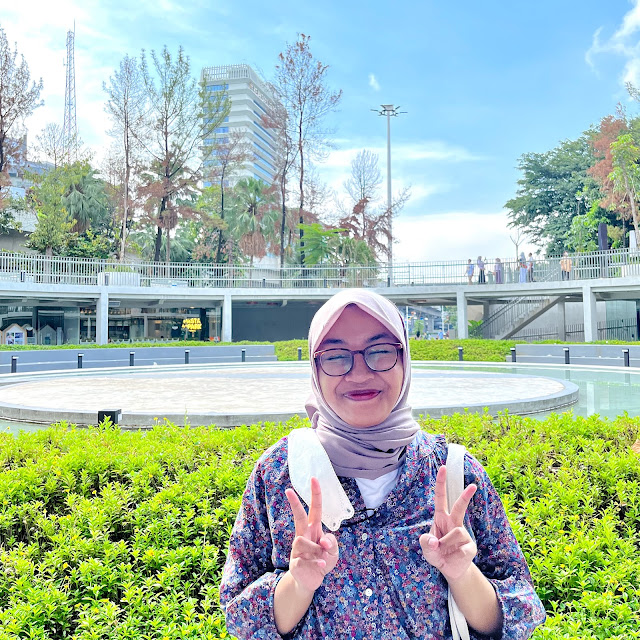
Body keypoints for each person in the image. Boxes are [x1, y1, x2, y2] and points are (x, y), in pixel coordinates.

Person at [220, 289, 546, 639]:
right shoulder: (278, 474)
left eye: (379, 351)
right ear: (315, 368)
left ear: (405, 360)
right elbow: (241, 619)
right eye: (335, 356)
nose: (359, 372)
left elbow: (520, 612)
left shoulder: (455, 473)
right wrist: (297, 585)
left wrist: (463, 574)